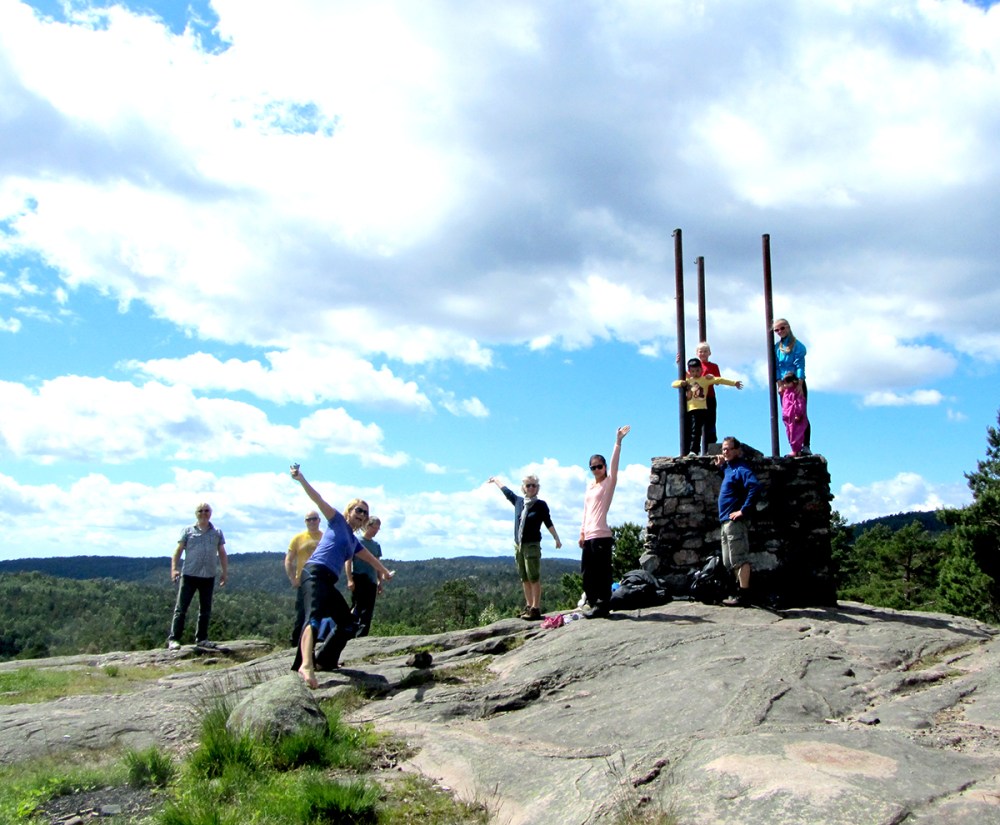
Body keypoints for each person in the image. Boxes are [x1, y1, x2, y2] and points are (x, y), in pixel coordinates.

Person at [289, 465, 394, 688]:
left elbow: (370, 559)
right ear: (349, 511)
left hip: (328, 581)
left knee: (348, 623)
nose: (362, 515)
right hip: (314, 573)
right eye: (359, 510)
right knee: (314, 618)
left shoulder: (354, 541)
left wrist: (384, 572)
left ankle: (324, 660)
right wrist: (301, 479)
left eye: (365, 512)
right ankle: (305, 665)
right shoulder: (336, 520)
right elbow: (317, 499)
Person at [489, 474, 562, 620]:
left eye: (534, 485)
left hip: (532, 546)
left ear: (537, 488)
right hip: (519, 545)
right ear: (524, 487)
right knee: (524, 577)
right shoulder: (518, 501)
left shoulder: (541, 505)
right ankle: (529, 606)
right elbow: (506, 492)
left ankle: (535, 608)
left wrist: (556, 538)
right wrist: (496, 480)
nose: (531, 488)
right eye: (528, 485)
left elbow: (548, 522)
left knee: (533, 577)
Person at [578, 425, 630, 618]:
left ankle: (602, 605)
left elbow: (616, 466)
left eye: (599, 466)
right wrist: (582, 532)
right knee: (587, 574)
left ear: (604, 466)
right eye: (593, 467)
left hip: (602, 536)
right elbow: (585, 511)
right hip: (589, 536)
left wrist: (618, 442)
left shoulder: (608, 483)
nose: (596, 470)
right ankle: (593, 603)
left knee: (602, 574)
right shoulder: (590, 486)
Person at [166, 503, 228, 650]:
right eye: (200, 511)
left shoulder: (217, 532)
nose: (204, 513)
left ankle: (202, 639)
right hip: (189, 575)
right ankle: (174, 639)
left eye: (207, 511)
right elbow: (178, 551)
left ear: (211, 513)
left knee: (205, 609)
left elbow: (222, 553)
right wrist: (174, 569)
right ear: (196, 514)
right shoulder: (188, 531)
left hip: (208, 575)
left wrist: (225, 572)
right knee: (181, 608)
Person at [714, 437, 760, 607]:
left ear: (737, 450)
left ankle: (745, 595)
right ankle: (738, 591)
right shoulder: (729, 468)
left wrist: (743, 510)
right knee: (729, 561)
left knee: (739, 558)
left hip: (734, 521)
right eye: (723, 449)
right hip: (725, 520)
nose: (725, 452)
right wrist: (721, 467)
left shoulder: (741, 468)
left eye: (728, 449)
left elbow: (754, 486)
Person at [672, 359, 743, 456]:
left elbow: (719, 380)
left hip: (702, 409)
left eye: (697, 371)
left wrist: (734, 383)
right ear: (689, 371)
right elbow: (674, 384)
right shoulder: (688, 380)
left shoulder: (705, 380)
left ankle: (695, 450)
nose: (695, 373)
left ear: (701, 370)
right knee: (691, 430)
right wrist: (681, 383)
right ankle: (691, 450)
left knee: (697, 431)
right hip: (690, 409)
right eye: (692, 371)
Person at [284, 510, 324, 646]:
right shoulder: (298, 538)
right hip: (304, 581)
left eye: (314, 519)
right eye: (308, 519)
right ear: (305, 522)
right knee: (302, 613)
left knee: (320, 612)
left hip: (321, 580)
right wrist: (292, 578)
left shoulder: (325, 537)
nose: (312, 522)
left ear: (319, 520)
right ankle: (296, 642)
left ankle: (316, 641)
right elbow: (288, 560)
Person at [773, 318, 810, 453]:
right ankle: (794, 447)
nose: (780, 332)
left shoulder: (798, 346)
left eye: (782, 328)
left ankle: (806, 445)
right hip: (784, 385)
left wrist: (800, 383)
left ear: (788, 327)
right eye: (777, 330)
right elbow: (776, 367)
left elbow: (800, 365)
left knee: (801, 414)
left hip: (796, 382)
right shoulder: (776, 348)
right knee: (788, 416)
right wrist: (779, 384)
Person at [346, 517, 384, 637]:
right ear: (368, 526)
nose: (376, 531)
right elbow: (348, 561)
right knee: (357, 606)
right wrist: (349, 579)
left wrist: (380, 581)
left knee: (368, 610)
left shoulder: (376, 545)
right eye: (375, 528)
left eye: (378, 529)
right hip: (358, 577)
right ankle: (349, 632)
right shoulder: (357, 541)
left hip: (371, 580)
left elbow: (378, 564)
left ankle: (362, 636)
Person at [695, 342, 722, 447]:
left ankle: (710, 445)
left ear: (709, 353)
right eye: (700, 351)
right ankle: (696, 447)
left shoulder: (714, 366)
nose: (703, 353)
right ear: (697, 353)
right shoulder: (694, 366)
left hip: (710, 397)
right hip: (697, 398)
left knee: (711, 421)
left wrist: (712, 378)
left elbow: (718, 382)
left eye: (705, 351)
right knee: (697, 423)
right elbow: (688, 377)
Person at [779, 372, 809, 456]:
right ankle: (795, 450)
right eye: (784, 383)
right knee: (790, 433)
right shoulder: (786, 393)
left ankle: (797, 450)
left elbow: (800, 403)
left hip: (795, 417)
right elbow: (785, 404)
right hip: (788, 417)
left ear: (793, 382)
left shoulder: (796, 391)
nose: (785, 385)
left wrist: (798, 414)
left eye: (787, 383)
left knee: (796, 434)